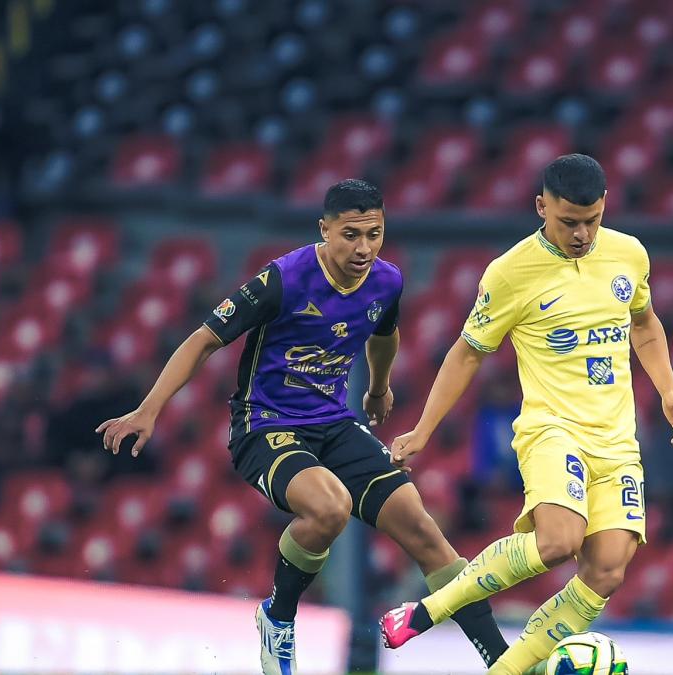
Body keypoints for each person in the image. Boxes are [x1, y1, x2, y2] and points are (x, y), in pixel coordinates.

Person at [96, 180, 507, 675]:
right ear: (325, 229)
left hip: (334, 423)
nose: (363, 248)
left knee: (423, 530)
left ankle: (504, 661)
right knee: (329, 506)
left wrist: (378, 388)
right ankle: (278, 619)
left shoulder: (387, 280)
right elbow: (204, 339)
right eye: (350, 235)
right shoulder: (283, 279)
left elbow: (385, 333)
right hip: (264, 426)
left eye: (374, 234)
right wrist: (150, 408)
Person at [380, 155, 673, 674]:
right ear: (541, 207)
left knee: (607, 570)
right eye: (568, 221)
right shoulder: (509, 273)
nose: (581, 233)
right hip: (553, 430)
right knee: (557, 540)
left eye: (591, 220)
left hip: (617, 443)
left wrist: (669, 391)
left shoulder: (629, 255)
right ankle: (427, 609)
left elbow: (646, 326)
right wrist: (423, 430)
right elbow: (468, 352)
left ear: (605, 207)